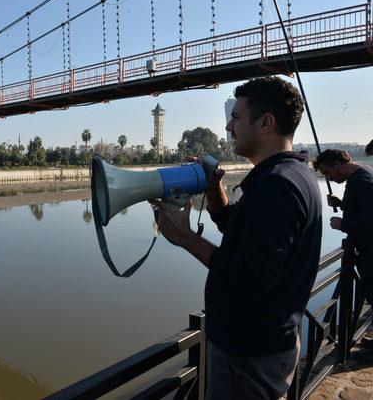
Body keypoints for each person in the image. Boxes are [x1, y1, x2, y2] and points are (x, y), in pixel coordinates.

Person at [151, 76, 322, 399]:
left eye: (237, 117)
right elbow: (242, 233)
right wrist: (215, 190)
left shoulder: (277, 186)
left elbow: (250, 276)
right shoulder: (290, 175)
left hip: (249, 354)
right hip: (264, 344)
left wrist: (186, 237)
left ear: (266, 123)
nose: (229, 127)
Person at [313, 150, 373, 306]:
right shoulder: (363, 172)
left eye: (328, 172)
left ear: (338, 164)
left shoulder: (361, 180)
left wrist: (343, 225)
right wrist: (341, 204)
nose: (329, 178)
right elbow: (364, 205)